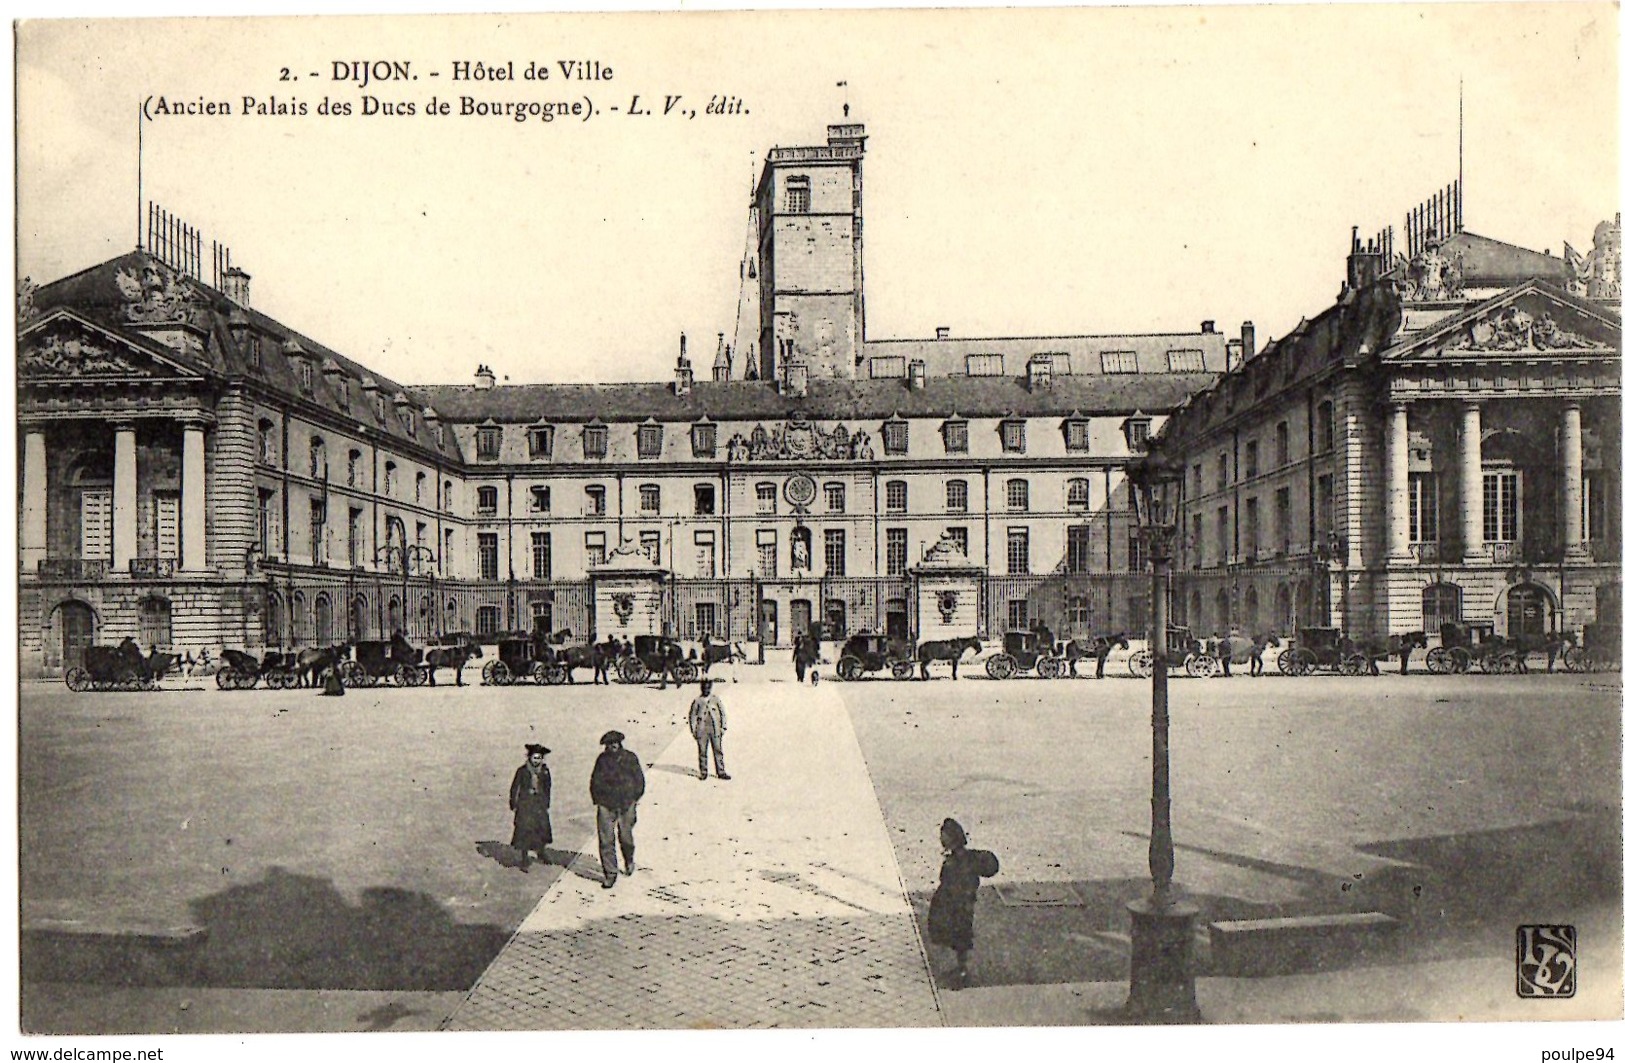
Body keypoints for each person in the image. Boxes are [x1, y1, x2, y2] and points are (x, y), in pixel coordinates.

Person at [927, 817, 999, 990]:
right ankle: (960, 969)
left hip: (958, 906)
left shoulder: (959, 861)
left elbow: (962, 882)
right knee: (958, 937)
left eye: (944, 836)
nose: (941, 840)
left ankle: (962, 972)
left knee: (959, 937)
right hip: (957, 905)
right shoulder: (961, 857)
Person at [590, 730, 645, 889]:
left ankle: (628, 859)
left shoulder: (630, 758)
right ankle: (610, 874)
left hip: (626, 803)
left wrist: (633, 799)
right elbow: (595, 780)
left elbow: (639, 780)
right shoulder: (602, 760)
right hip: (606, 805)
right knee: (606, 839)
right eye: (609, 744)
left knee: (626, 836)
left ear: (620, 743)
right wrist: (598, 800)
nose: (613, 746)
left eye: (615, 743)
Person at [508, 743, 553, 871]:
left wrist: (547, 802)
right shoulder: (522, 771)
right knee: (525, 830)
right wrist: (513, 802)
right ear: (529, 758)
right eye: (534, 758)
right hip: (525, 805)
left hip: (539, 804)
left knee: (542, 828)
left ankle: (541, 851)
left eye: (539, 758)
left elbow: (548, 787)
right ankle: (524, 857)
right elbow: (515, 787)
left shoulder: (545, 771)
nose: (536, 760)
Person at [688, 679, 730, 781]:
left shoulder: (715, 700)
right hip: (702, 730)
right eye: (704, 688)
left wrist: (723, 727)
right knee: (702, 751)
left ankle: (721, 771)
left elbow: (722, 713)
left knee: (718, 750)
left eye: (707, 688)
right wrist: (694, 730)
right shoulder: (697, 701)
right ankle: (703, 772)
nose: (705, 690)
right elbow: (692, 716)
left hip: (715, 729)